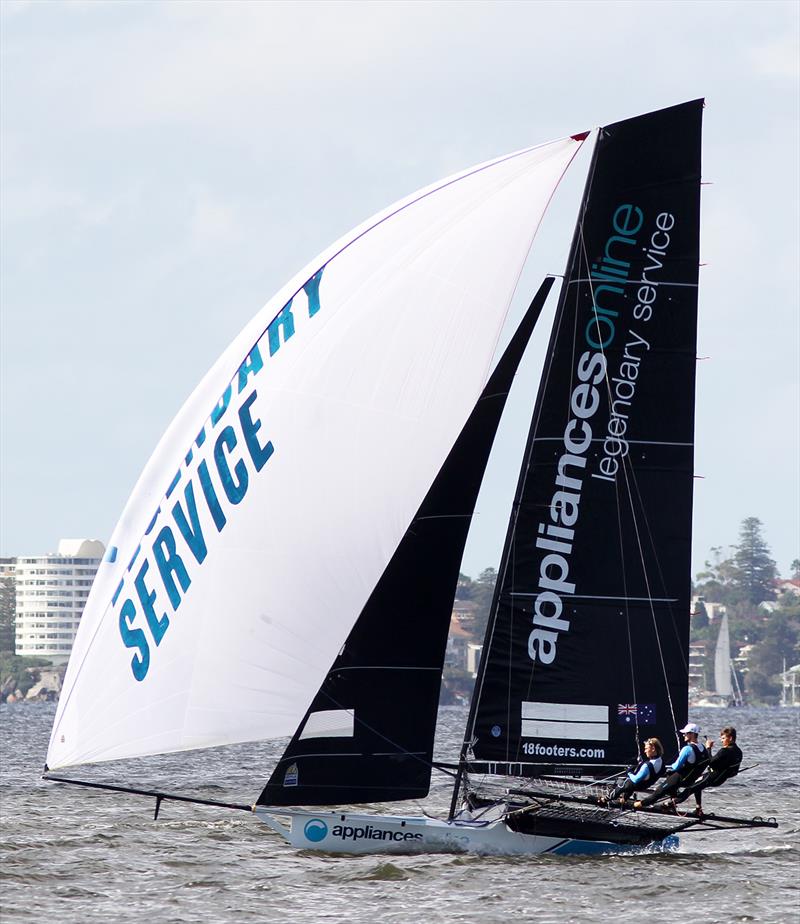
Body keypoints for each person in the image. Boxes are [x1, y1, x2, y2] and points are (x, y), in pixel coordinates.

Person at [634, 723, 708, 809]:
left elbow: (675, 767)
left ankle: (638, 804)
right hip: (691, 780)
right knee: (691, 780)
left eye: (685, 733)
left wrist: (660, 768)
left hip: (681, 779)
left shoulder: (687, 749)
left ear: (691, 734)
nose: (683, 735)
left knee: (658, 791)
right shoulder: (703, 748)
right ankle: (698, 807)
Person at [673, 726, 743, 814]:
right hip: (720, 779)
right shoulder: (739, 752)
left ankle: (670, 804)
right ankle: (698, 808)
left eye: (723, 738)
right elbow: (734, 772)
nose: (722, 741)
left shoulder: (724, 751)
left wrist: (708, 748)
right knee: (697, 784)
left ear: (730, 738)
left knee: (690, 789)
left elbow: (710, 762)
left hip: (712, 778)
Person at [606, 738, 664, 802]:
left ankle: (607, 798)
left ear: (653, 749)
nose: (645, 751)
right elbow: (653, 771)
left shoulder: (646, 766)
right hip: (646, 785)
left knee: (625, 782)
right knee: (630, 784)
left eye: (646, 749)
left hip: (638, 785)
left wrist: (629, 772)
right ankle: (624, 799)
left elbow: (635, 780)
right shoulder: (661, 762)